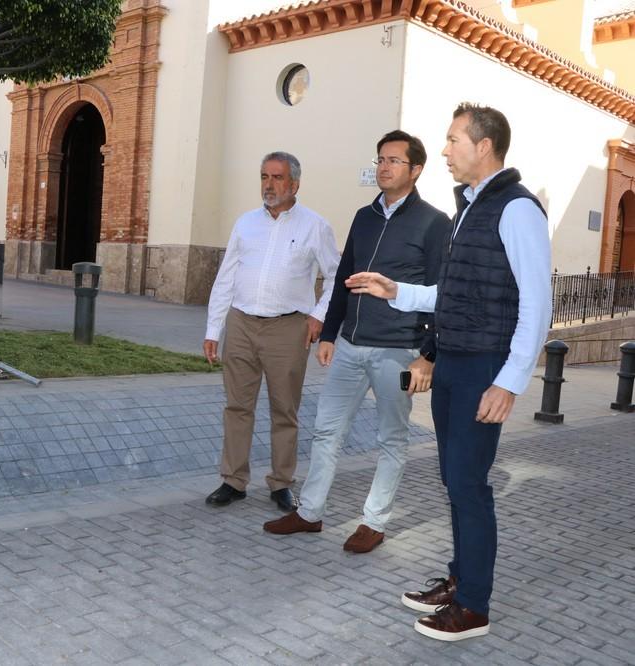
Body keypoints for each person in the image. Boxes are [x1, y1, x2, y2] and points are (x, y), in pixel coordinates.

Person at [346, 103, 552, 641]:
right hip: (455, 363)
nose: (445, 149)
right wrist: (398, 291)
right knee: (454, 482)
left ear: (484, 146)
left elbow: (537, 302)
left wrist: (509, 382)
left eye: (453, 139)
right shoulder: (468, 208)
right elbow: (453, 294)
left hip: (484, 367)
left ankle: (474, 606)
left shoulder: (517, 209)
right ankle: (461, 581)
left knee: (469, 485)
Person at [263, 131, 450, 553]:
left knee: (391, 438)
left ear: (416, 170)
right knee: (326, 431)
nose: (384, 167)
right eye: (381, 159)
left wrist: (429, 355)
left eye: (394, 161)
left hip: (397, 349)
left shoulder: (436, 223)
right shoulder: (364, 217)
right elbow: (344, 277)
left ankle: (374, 521)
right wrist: (329, 333)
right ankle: (309, 513)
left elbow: (443, 291)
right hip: (349, 344)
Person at [203, 151, 339, 513]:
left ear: (295, 183)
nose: (269, 184)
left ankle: (281, 483)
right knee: (237, 407)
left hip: (288, 328)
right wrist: (214, 329)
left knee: (284, 410)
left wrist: (319, 316)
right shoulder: (245, 224)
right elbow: (226, 277)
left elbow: (335, 276)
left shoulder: (315, 226)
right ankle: (233, 480)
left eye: (277, 177)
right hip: (243, 324)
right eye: (264, 176)